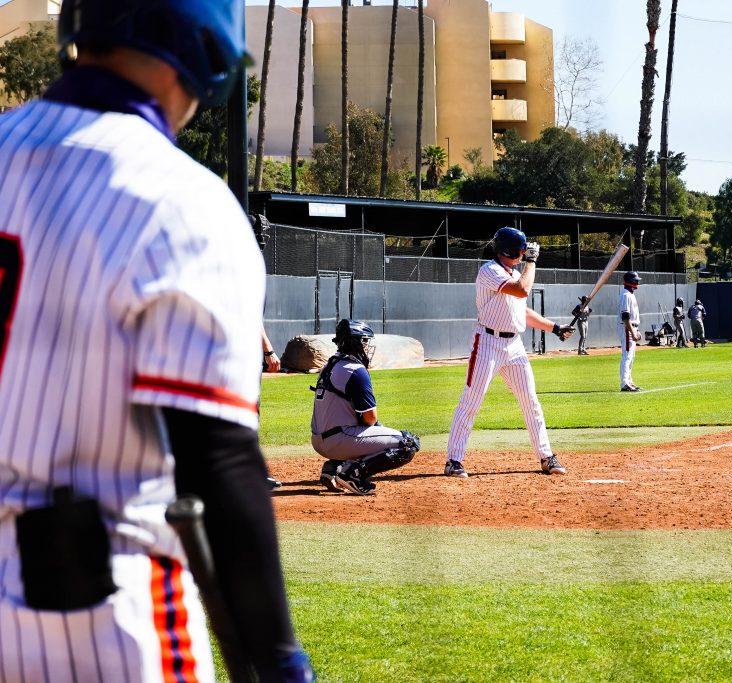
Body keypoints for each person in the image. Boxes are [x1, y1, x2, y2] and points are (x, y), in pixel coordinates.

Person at [0, 1, 315, 681]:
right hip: (99, 614)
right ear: (206, 46)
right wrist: (279, 657)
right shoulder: (181, 199)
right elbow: (220, 461)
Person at [445, 227, 573, 477]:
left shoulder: (513, 273)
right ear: (511, 250)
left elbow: (521, 311)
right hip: (488, 344)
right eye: (523, 250)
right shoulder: (489, 271)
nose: (526, 254)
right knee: (471, 401)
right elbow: (523, 290)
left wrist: (554, 327)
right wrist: (533, 262)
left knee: (531, 402)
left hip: (514, 345)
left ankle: (546, 457)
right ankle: (453, 460)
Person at [313, 320, 420, 495]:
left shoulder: (329, 366)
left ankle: (333, 467)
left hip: (319, 441)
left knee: (364, 427)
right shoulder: (355, 370)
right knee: (407, 444)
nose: (366, 346)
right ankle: (352, 475)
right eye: (364, 341)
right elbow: (370, 418)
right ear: (354, 342)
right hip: (339, 441)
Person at [619, 271, 643, 391]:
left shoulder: (630, 294)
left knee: (631, 356)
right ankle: (624, 383)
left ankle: (629, 381)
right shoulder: (626, 295)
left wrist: (636, 330)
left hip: (632, 327)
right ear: (630, 281)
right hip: (626, 328)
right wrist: (632, 332)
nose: (637, 282)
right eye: (636, 280)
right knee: (627, 356)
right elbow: (625, 317)